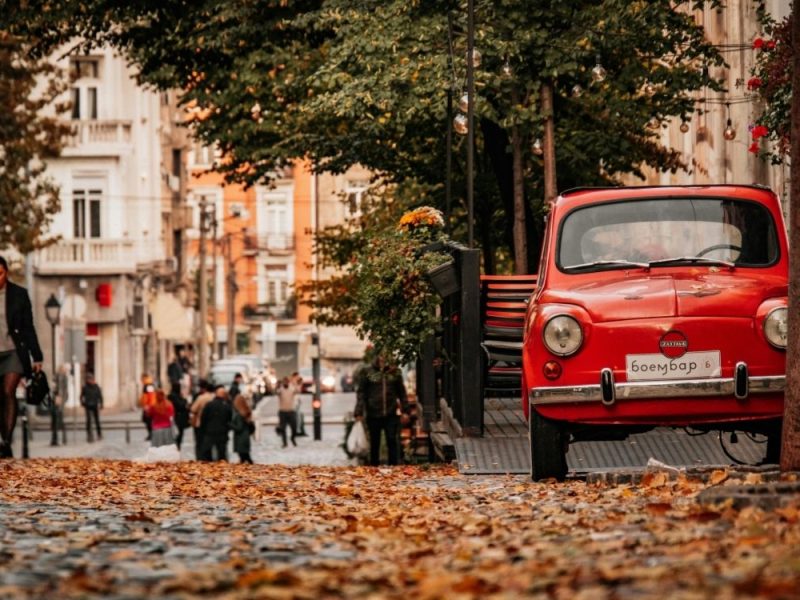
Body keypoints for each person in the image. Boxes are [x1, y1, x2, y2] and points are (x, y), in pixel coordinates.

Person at [0, 256, 44, 459]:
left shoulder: (19, 294)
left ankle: (6, 441)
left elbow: (28, 328)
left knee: (8, 392)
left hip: (13, 352)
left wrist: (37, 355)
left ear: (6, 273)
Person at [354, 354, 408, 466]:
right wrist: (359, 411)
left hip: (391, 412)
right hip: (373, 413)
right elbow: (361, 392)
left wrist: (405, 410)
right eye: (382, 355)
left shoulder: (394, 372)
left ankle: (394, 467)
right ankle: (374, 467)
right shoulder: (368, 371)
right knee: (374, 442)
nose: (384, 358)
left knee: (392, 440)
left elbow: (401, 392)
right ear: (378, 356)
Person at [198, 385, 232, 461]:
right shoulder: (226, 406)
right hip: (222, 432)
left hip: (209, 431)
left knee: (206, 452)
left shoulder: (209, 404)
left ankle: (209, 465)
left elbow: (203, 418)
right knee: (221, 453)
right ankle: (222, 468)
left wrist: (203, 429)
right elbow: (229, 419)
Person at [189, 379, 215, 460]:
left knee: (199, 442)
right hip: (212, 424)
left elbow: (193, 409)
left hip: (200, 423)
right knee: (209, 442)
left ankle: (200, 458)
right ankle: (209, 457)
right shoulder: (215, 397)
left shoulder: (201, 397)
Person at [231, 393, 254, 464]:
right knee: (246, 458)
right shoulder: (245, 412)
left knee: (244, 458)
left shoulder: (239, 415)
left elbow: (239, 428)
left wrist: (229, 424)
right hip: (245, 437)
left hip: (241, 439)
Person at [80, 372, 103, 442]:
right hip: (88, 406)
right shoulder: (85, 387)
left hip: (95, 405)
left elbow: (100, 396)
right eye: (88, 379)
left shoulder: (96, 387)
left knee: (97, 421)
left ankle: (99, 434)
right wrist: (83, 403)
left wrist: (101, 404)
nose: (90, 380)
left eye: (91, 379)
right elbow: (81, 396)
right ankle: (89, 435)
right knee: (88, 421)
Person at [50, 363, 69, 446]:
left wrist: (62, 400)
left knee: (59, 421)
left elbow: (63, 391)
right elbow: (55, 389)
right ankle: (57, 439)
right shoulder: (58, 377)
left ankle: (59, 439)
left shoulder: (63, 377)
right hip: (57, 401)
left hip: (59, 402)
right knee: (56, 421)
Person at [276, 376, 298, 448]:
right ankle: (284, 443)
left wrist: (295, 383)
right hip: (283, 411)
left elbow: (297, 390)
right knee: (283, 428)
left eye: (286, 382)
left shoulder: (292, 388)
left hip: (291, 411)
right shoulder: (280, 389)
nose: (285, 383)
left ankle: (292, 438)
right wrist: (278, 386)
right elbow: (277, 392)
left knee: (294, 427)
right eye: (284, 382)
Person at [168, 386, 190, 450]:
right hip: (178, 417)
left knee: (177, 433)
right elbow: (180, 405)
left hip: (175, 417)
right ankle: (177, 446)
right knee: (179, 433)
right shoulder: (174, 397)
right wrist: (184, 400)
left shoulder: (172, 396)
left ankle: (176, 445)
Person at [139, 374, 155, 441]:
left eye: (141, 378)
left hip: (148, 407)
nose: (141, 380)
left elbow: (151, 396)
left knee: (148, 420)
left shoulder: (148, 385)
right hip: (147, 406)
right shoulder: (147, 384)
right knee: (147, 420)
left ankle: (151, 434)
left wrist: (148, 405)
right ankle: (151, 434)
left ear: (144, 378)